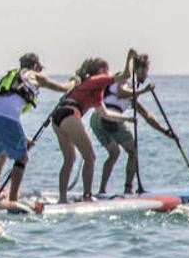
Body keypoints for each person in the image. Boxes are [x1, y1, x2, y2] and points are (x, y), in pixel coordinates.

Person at [0, 53, 74, 202]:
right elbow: (63, 88)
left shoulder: (11, 76)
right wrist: (74, 81)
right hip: (6, 119)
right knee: (22, 158)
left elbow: (7, 108)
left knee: (1, 157)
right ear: (36, 66)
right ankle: (13, 200)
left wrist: (24, 139)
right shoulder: (35, 75)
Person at [49, 50, 137, 204]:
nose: (109, 74)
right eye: (107, 70)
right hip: (70, 114)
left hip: (57, 117)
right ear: (101, 70)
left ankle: (62, 199)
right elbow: (125, 76)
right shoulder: (98, 79)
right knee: (90, 156)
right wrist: (130, 57)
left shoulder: (95, 90)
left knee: (69, 159)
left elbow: (105, 114)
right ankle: (87, 196)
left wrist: (127, 118)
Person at [91, 52, 174, 195]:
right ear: (138, 69)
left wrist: (167, 132)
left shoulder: (133, 89)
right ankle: (127, 189)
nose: (146, 75)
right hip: (104, 117)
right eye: (145, 71)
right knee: (132, 151)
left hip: (103, 119)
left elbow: (147, 116)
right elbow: (121, 91)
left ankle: (103, 191)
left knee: (115, 153)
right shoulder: (125, 79)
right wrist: (143, 90)